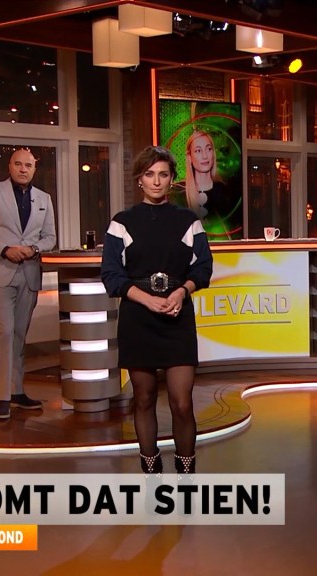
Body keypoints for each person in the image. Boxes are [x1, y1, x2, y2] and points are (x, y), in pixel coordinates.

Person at [101, 146, 213, 475]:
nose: (156, 181)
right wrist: (146, 299)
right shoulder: (121, 223)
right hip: (138, 318)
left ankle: (186, 472)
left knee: (182, 402)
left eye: (163, 174)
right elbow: (111, 274)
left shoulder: (188, 221)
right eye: (149, 174)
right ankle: (151, 471)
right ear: (140, 179)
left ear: (172, 179)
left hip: (177, 317)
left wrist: (182, 291)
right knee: (144, 398)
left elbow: (203, 268)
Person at [0, 148, 57, 420]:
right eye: (18, 164)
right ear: (9, 166)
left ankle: (17, 391)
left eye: (28, 165)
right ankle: (3, 397)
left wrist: (33, 249)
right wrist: (5, 249)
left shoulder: (44, 198)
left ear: (34, 169)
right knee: (5, 331)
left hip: (29, 272)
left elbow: (50, 237)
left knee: (20, 334)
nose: (23, 169)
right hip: (0, 270)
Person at [182, 130, 236, 223]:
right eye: (198, 151)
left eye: (209, 149)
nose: (205, 156)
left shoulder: (227, 193)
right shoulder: (178, 195)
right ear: (189, 157)